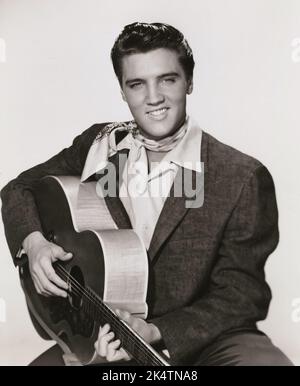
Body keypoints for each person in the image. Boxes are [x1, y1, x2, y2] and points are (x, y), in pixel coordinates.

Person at [1, 22, 293, 366]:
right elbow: (18, 189)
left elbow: (241, 297)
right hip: (99, 336)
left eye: (167, 79)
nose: (153, 98)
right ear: (123, 91)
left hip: (201, 343)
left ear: (190, 82)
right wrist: (33, 244)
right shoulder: (100, 145)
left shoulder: (241, 176)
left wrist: (156, 331)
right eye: (137, 84)